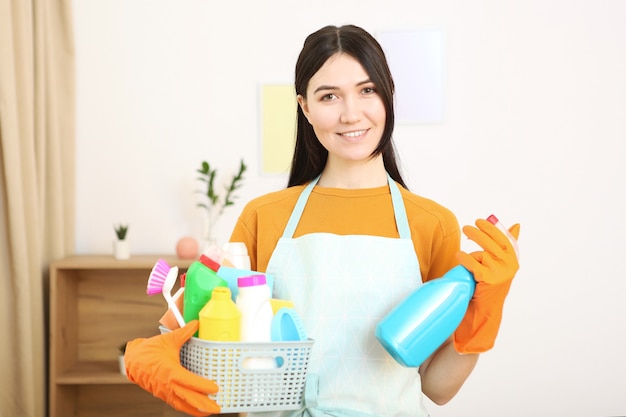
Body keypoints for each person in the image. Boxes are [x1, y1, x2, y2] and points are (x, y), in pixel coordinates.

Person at [124, 24, 520, 417]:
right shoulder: (264, 217)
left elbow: (436, 387)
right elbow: (202, 328)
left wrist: (480, 322)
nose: (351, 114)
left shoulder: (432, 224)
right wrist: (149, 354)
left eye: (367, 90)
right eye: (329, 96)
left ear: (389, 96)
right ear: (305, 107)